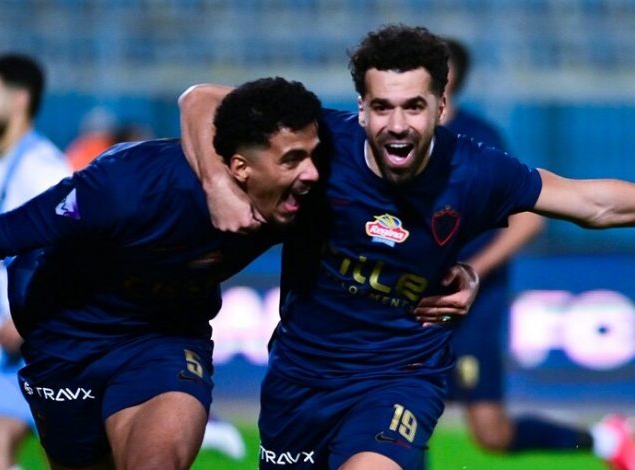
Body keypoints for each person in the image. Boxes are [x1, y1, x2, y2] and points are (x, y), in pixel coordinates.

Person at [178, 24, 635, 470]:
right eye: (382, 107)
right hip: (300, 378)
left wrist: (475, 267)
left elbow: (593, 204)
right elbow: (200, 99)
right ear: (362, 108)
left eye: (414, 107)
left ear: (441, 107)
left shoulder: (475, 168)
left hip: (403, 375)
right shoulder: (320, 144)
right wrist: (218, 186)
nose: (397, 126)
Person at [0, 77, 321, 469]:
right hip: (66, 341)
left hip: (164, 339)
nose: (312, 174)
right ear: (239, 168)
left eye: (311, 158)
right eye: (291, 161)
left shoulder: (301, 193)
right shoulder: (126, 186)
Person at [440, 37, 625, 466]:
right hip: (409, 298)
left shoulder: (479, 140)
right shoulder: (394, 140)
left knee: (492, 432)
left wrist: (473, 268)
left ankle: (605, 440)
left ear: (450, 79)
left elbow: (530, 219)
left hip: (471, 307)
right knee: (400, 411)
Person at [0, 53, 72, 470]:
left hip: (49, 336)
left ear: (19, 100)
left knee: (68, 458)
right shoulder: (4, 166)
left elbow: (75, 245)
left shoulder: (41, 169)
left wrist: (24, 318)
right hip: (17, 343)